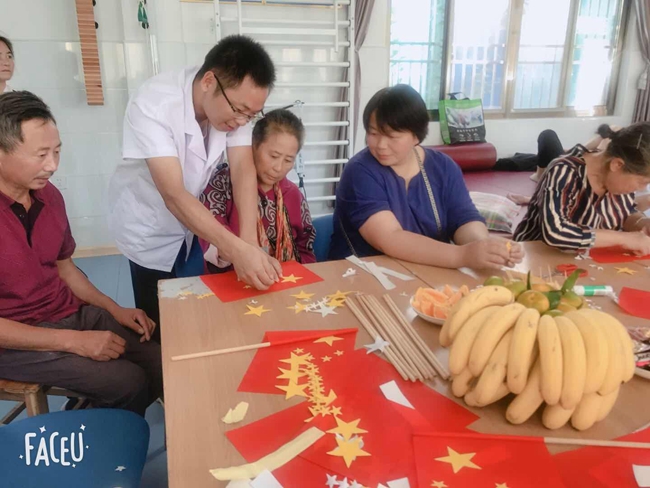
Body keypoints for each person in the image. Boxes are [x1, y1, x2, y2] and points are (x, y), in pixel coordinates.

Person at [109, 35, 282, 340]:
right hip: (149, 227)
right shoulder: (153, 104)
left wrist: (249, 242)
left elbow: (243, 170)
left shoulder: (234, 109)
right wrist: (237, 250)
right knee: (159, 324)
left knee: (194, 314)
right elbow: (174, 194)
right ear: (208, 82)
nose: (243, 121)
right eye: (239, 110)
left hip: (192, 225)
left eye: (252, 115)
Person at [0, 91, 162, 417]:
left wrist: (114, 309)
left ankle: (90, 410)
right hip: (13, 340)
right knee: (126, 382)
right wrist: (74, 341)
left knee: (160, 363)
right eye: (41, 155)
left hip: (67, 312)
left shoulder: (49, 197)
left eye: (57, 152)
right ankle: (94, 439)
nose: (52, 165)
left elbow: (66, 269)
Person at [328, 84, 524, 270]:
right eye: (373, 133)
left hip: (429, 271)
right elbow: (389, 238)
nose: (380, 145)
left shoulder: (443, 167)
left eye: (392, 136)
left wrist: (485, 248)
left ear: (416, 136)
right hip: (362, 275)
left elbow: (464, 219)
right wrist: (463, 255)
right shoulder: (360, 171)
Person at [201, 109, 316, 272]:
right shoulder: (220, 186)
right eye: (274, 156)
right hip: (232, 279)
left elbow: (305, 249)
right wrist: (246, 254)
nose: (278, 168)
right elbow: (212, 241)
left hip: (286, 279)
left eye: (288, 160)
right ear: (253, 146)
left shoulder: (293, 195)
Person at [514, 123, 650, 253]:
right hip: (533, 254)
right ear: (617, 165)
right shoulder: (565, 170)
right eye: (642, 182)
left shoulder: (617, 181)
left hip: (584, 258)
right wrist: (625, 239)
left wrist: (642, 224)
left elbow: (624, 212)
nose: (641, 188)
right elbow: (555, 232)